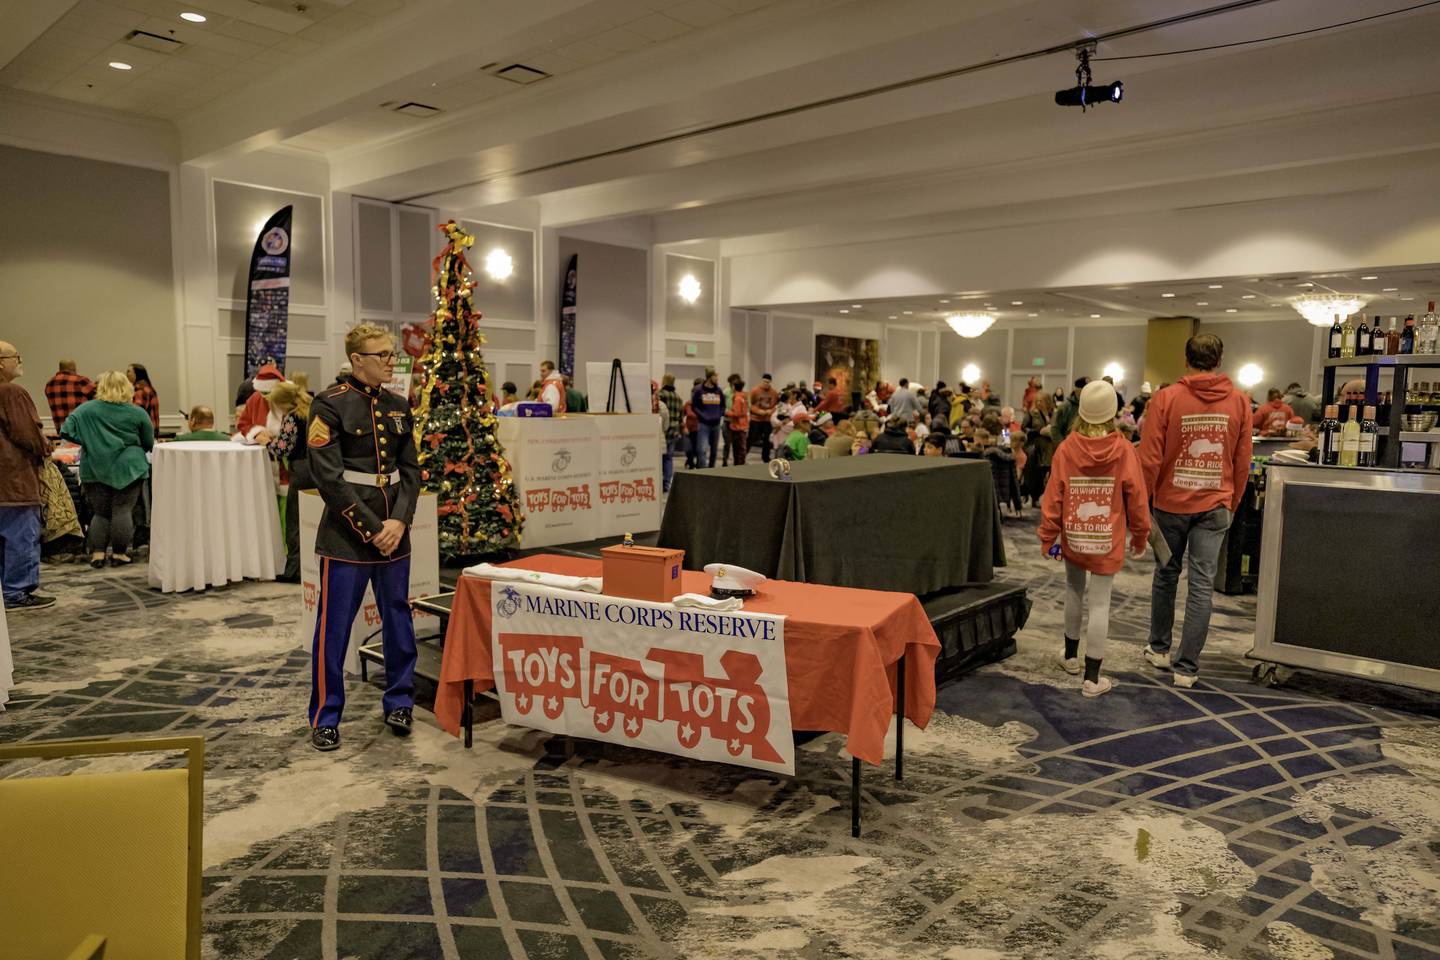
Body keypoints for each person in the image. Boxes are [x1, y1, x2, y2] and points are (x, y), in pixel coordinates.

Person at [305, 323, 420, 752]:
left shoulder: (397, 405)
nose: (392, 362)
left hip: (395, 531)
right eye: (383, 355)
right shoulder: (328, 405)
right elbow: (329, 479)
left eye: (393, 355)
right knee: (333, 629)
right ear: (357, 359)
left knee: (398, 619)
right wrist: (374, 530)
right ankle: (326, 715)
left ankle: (400, 701)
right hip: (348, 536)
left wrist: (401, 522)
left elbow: (410, 471)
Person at [1140, 334, 1252, 688]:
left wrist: (1142, 501)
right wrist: (1232, 503)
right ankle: (1186, 669)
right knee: (1202, 585)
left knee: (1166, 573)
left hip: (1169, 504)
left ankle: (1159, 650)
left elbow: (1150, 457)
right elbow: (1242, 460)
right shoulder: (1240, 402)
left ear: (1185, 358)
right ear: (1219, 360)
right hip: (1216, 504)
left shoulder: (1166, 399)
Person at [1038, 380, 1150, 697]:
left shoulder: (1066, 448)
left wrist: (1048, 535)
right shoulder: (1125, 450)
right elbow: (1137, 499)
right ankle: (1091, 678)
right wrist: (1140, 535)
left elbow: (1053, 497)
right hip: (1107, 541)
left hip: (1074, 537)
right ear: (1112, 412)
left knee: (1074, 591)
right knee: (1100, 604)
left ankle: (1070, 658)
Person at [59, 370, 154, 569]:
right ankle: (119, 554)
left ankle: (98, 554)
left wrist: (90, 441)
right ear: (127, 389)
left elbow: (66, 430)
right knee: (123, 510)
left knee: (100, 513)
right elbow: (148, 441)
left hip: (95, 465)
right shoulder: (137, 412)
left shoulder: (85, 410)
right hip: (129, 468)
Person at [0, 341, 54, 610]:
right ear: (0, 362)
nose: (20, 360)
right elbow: (27, 434)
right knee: (21, 537)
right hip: (15, 481)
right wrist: (45, 447)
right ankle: (17, 592)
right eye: (15, 356)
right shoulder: (12, 392)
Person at [267, 382, 314, 583]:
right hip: (318, 468)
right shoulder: (313, 410)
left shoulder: (292, 417)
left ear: (282, 403)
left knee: (295, 520)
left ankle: (294, 570)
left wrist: (267, 443)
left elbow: (282, 448)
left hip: (301, 471)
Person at [237, 363, 286, 443]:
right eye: (262, 392)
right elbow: (243, 424)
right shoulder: (255, 398)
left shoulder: (288, 399)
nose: (265, 397)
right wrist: (256, 433)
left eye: (268, 393)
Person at [43, 360, 95, 434]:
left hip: (62, 433)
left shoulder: (49, 384)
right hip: (82, 432)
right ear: (73, 368)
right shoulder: (80, 381)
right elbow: (100, 398)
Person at [690, 370, 724, 468]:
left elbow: (723, 406)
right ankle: (703, 470)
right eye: (715, 376)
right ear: (709, 377)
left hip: (716, 424)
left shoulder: (719, 391)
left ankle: (711, 469)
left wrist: (719, 414)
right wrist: (702, 416)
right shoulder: (699, 391)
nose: (717, 379)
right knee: (702, 449)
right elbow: (694, 406)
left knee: (714, 450)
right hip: (704, 424)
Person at [748, 374, 780, 462]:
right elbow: (750, 404)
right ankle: (743, 455)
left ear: (770, 382)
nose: (766, 384)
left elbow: (776, 405)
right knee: (751, 438)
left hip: (767, 420)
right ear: (762, 381)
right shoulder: (755, 391)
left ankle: (765, 457)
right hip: (756, 419)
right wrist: (758, 411)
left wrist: (771, 411)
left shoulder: (774, 392)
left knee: (767, 440)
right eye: (765, 382)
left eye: (768, 382)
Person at [1051, 377, 1088, 442]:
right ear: (1076, 391)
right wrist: (1064, 446)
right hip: (1069, 446)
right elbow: (1055, 430)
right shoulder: (1065, 407)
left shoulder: (1091, 406)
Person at [127, 362, 160, 432]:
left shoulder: (141, 390)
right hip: (150, 430)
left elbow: (135, 412)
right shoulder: (147, 387)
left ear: (137, 374)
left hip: (144, 431)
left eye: (129, 371)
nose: (126, 374)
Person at [725, 377, 749, 466]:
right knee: (741, 447)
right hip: (743, 425)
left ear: (734, 387)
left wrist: (727, 412)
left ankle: (738, 465)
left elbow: (736, 413)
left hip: (737, 426)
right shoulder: (744, 397)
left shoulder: (738, 398)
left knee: (738, 449)